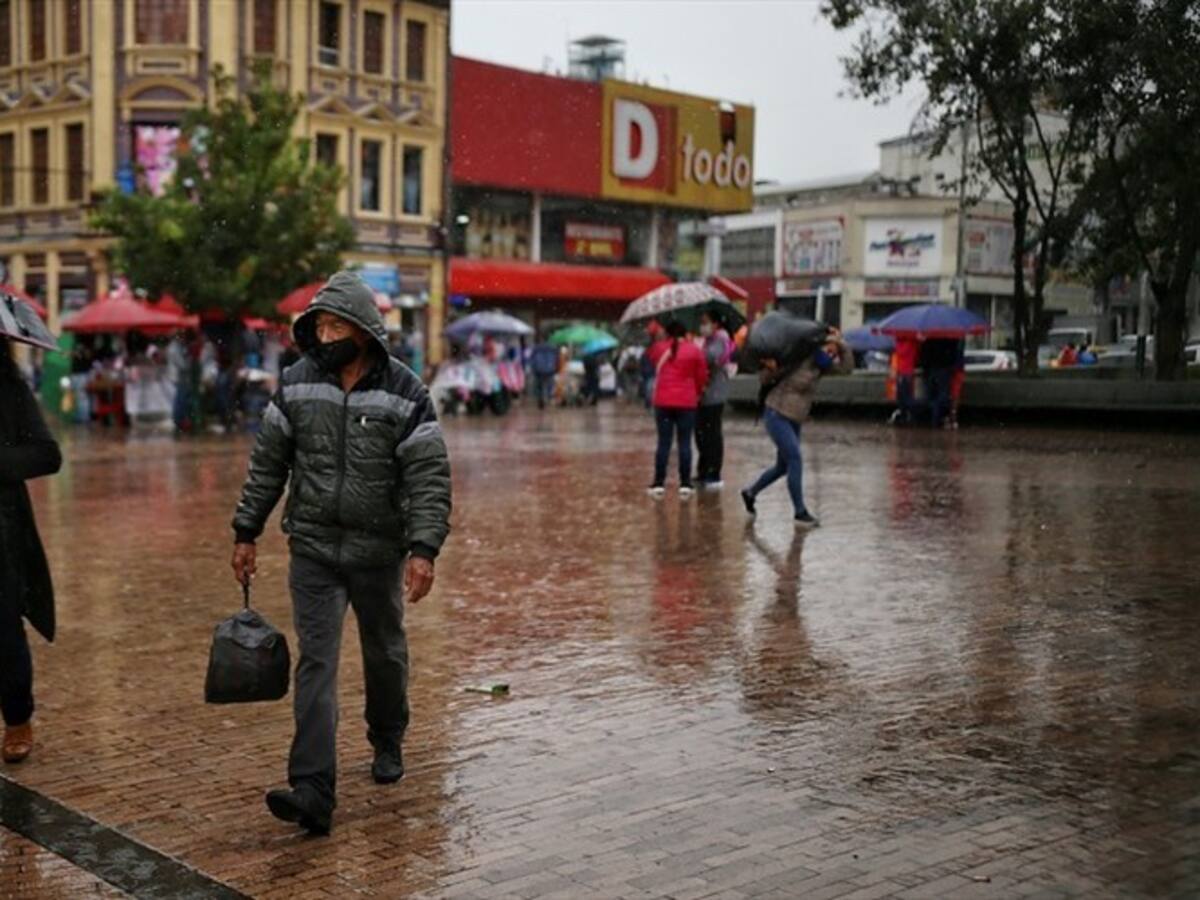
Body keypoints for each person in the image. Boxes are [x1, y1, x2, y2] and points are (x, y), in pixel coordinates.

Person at [230, 272, 452, 836]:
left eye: (334, 325)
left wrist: (424, 548)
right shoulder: (298, 384)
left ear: (363, 330)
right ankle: (313, 788)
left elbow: (428, 476)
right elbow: (268, 464)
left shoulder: (406, 392)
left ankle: (387, 736)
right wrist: (246, 530)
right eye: (319, 326)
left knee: (384, 653)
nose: (324, 335)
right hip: (314, 549)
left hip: (379, 550)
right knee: (317, 663)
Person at [0, 337, 62, 764]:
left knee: (2, 627)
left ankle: (17, 718)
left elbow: (47, 455)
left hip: (0, 529)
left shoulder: (7, 386)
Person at [741, 328, 852, 528]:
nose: (830, 353)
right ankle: (800, 512)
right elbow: (765, 378)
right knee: (795, 459)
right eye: (828, 348)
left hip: (795, 418)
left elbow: (847, 368)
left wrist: (841, 344)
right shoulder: (798, 358)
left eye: (833, 351)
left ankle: (750, 492)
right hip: (777, 413)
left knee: (783, 466)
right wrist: (770, 367)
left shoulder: (822, 366)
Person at [646, 320, 708, 499]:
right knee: (685, 443)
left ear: (668, 333)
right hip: (686, 403)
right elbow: (702, 375)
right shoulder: (694, 350)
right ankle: (685, 483)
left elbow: (650, 358)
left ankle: (659, 483)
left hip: (663, 402)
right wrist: (695, 392)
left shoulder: (658, 348)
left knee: (664, 443)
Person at [695, 311, 734, 489]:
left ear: (716, 324)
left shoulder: (720, 340)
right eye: (701, 323)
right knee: (701, 435)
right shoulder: (708, 341)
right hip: (703, 396)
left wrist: (695, 352)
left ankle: (713, 474)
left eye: (706, 322)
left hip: (714, 395)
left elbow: (711, 358)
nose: (703, 326)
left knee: (712, 435)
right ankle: (703, 471)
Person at [920, 338, 960, 429]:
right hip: (944, 369)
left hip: (931, 369)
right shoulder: (950, 339)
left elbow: (924, 354)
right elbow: (954, 353)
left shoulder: (928, 338)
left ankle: (933, 418)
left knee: (931, 395)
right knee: (943, 395)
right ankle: (937, 418)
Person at [889, 335, 920, 425]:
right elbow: (917, 352)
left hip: (900, 372)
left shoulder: (898, 342)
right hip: (908, 371)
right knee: (908, 396)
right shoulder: (913, 341)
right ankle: (911, 417)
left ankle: (903, 416)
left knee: (901, 397)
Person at [529, 341, 559, 410]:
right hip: (550, 369)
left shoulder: (536, 348)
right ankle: (548, 398)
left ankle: (540, 399)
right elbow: (556, 359)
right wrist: (555, 368)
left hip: (539, 370)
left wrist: (533, 369)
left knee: (539, 386)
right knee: (549, 385)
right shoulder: (553, 348)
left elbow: (532, 360)